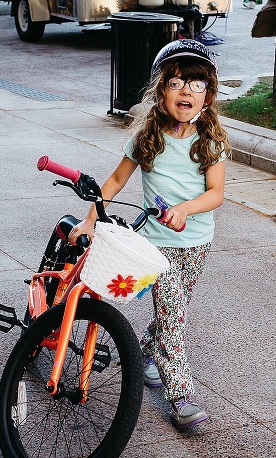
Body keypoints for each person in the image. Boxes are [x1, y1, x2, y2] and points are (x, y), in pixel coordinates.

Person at [69, 39, 230, 429]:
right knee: (173, 315)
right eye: (175, 83)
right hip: (155, 245)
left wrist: (184, 209)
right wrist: (89, 220)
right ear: (161, 93)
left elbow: (216, 194)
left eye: (195, 85)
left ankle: (142, 353)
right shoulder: (147, 139)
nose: (185, 91)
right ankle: (181, 396)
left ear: (207, 97)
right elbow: (115, 180)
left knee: (172, 311)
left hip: (196, 243)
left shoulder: (210, 141)